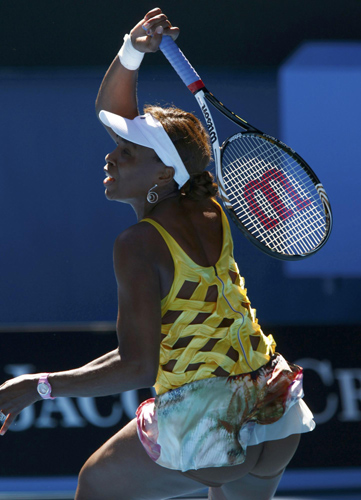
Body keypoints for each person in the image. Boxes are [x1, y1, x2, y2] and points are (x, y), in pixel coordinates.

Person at [0, 8, 315, 500]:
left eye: (127, 152)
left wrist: (34, 387)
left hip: (211, 429)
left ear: (164, 174)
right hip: (273, 409)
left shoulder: (139, 244)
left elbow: (139, 366)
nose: (110, 155)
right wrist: (133, 49)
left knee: (97, 484)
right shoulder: (210, 206)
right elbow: (113, 113)